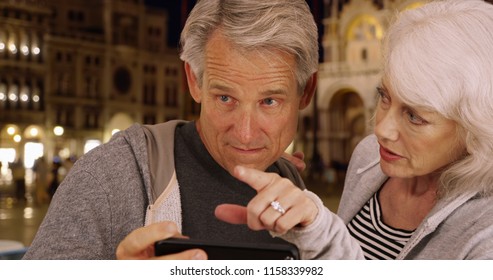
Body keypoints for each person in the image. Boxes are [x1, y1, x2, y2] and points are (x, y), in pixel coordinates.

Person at [23, 0, 319, 260]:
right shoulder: (109, 177)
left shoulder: (299, 194)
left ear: (306, 92)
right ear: (193, 80)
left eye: (269, 101)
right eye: (225, 98)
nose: (244, 133)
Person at [216, 0, 493, 259]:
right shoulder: (370, 156)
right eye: (384, 97)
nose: (381, 129)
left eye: (414, 116)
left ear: (475, 128)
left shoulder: (485, 233)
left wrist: (320, 229)